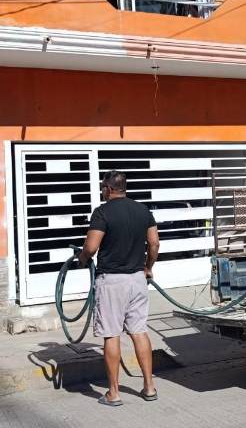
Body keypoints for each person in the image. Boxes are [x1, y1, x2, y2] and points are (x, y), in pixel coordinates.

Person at [78, 170, 160, 406]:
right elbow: (154, 243)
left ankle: (113, 393)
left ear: (108, 188)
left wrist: (83, 258)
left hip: (112, 281)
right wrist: (147, 267)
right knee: (139, 331)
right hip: (137, 279)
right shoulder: (143, 211)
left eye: (103, 187)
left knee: (111, 334)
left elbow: (91, 247)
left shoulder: (102, 212)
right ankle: (149, 387)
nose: (102, 191)